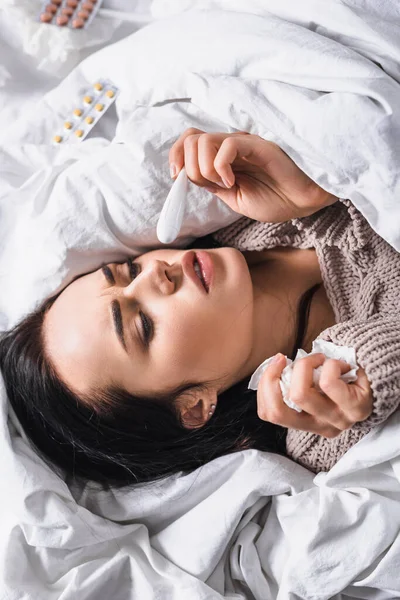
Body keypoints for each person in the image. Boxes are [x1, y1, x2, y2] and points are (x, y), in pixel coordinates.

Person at [1, 128, 399, 488]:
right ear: (193, 407)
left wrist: (322, 185)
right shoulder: (322, 423)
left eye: (128, 271)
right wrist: (371, 360)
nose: (156, 274)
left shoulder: (237, 190)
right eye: (144, 325)